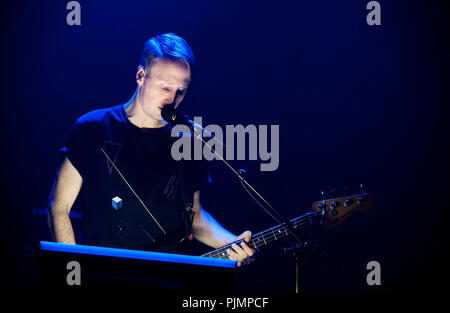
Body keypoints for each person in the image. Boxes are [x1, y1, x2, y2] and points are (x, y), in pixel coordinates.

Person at [47, 33, 255, 267]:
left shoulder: (189, 140)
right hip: (103, 274)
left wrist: (233, 242)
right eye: (165, 88)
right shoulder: (92, 128)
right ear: (140, 75)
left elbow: (194, 217)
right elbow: (59, 207)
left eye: (180, 91)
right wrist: (72, 273)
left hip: (167, 277)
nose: (171, 99)